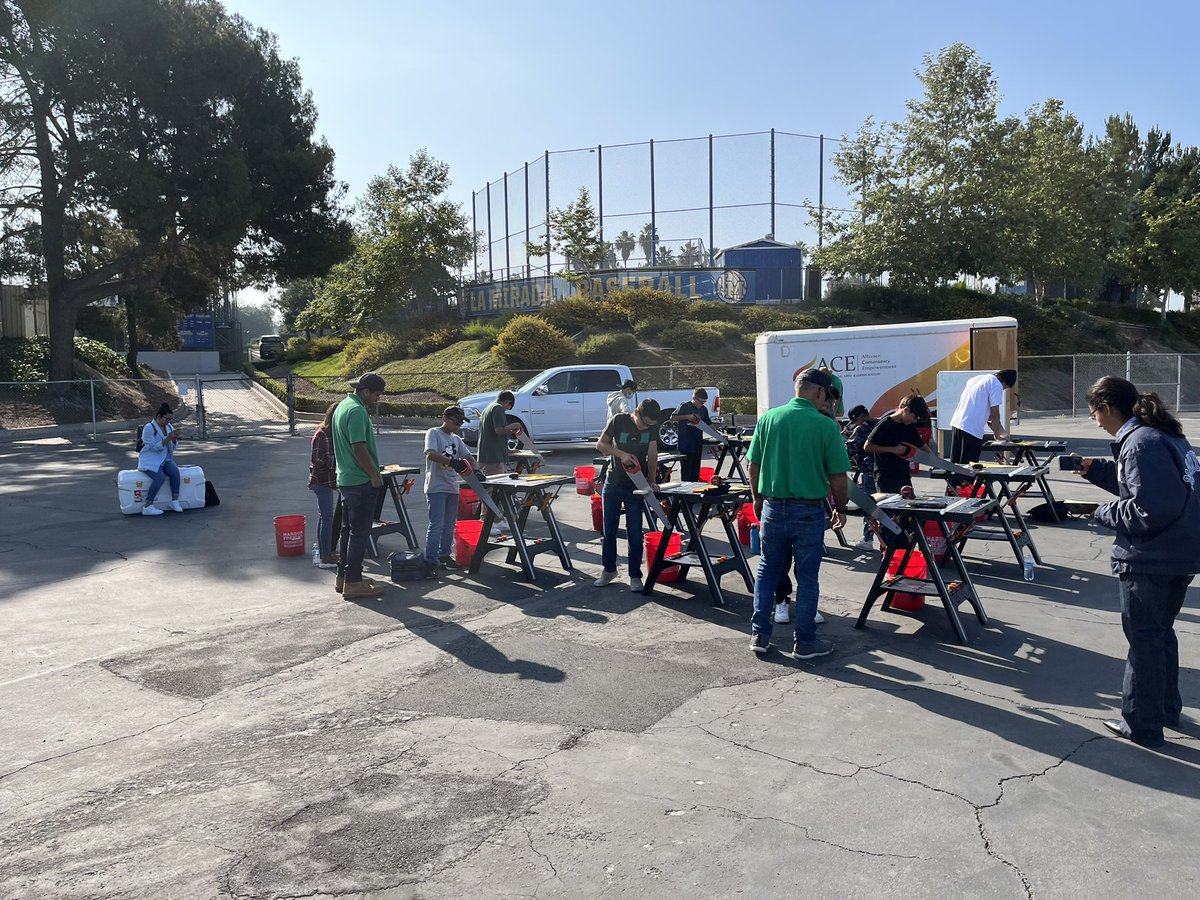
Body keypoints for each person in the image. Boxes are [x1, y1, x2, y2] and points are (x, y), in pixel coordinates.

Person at [1076, 376, 1200, 748]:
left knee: (1145, 639)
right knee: (1161, 634)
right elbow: (1153, 489)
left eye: (1094, 412)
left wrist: (1102, 511)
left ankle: (1143, 724)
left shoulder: (1141, 443)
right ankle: (1164, 709)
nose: (1094, 420)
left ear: (1108, 408)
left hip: (1151, 558)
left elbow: (1149, 507)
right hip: (1180, 553)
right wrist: (1096, 471)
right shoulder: (1163, 436)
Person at [748, 369, 850, 660]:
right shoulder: (825, 426)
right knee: (807, 577)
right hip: (808, 511)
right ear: (819, 393)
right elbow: (838, 477)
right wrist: (840, 509)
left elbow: (753, 464)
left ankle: (760, 635)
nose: (827, 403)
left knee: (768, 570)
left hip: (772, 507)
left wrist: (757, 498)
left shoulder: (768, 418)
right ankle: (804, 642)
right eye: (827, 397)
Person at [595, 398, 661, 591]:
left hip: (636, 486)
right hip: (613, 483)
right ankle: (609, 570)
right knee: (609, 532)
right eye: (644, 424)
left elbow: (653, 452)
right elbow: (601, 444)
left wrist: (651, 480)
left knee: (634, 533)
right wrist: (621, 454)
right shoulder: (618, 420)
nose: (645, 429)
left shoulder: (650, 427)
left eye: (650, 426)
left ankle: (635, 576)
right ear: (636, 412)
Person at [332, 372, 387, 599]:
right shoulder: (356, 411)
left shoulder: (342, 406)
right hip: (360, 480)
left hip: (346, 479)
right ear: (365, 392)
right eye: (376, 395)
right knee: (360, 533)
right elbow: (359, 448)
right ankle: (353, 581)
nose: (377, 399)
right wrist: (374, 475)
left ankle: (343, 577)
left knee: (348, 531)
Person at [423, 405, 481, 572]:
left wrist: (476, 469)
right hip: (436, 486)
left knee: (449, 524)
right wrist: (452, 462)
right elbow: (430, 453)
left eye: (460, 424)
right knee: (436, 524)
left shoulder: (456, 439)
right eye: (455, 422)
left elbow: (468, 456)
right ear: (445, 418)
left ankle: (444, 555)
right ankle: (431, 560)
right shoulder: (434, 433)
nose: (457, 426)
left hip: (452, 486)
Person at [864, 394, 933, 495]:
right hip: (886, 475)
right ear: (906, 410)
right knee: (890, 507)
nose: (914, 421)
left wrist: (934, 461)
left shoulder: (909, 426)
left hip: (903, 474)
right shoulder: (885, 424)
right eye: (914, 417)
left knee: (907, 504)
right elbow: (867, 446)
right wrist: (892, 449)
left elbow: (921, 445)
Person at [948, 369, 1016, 464]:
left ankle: (954, 479)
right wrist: (997, 436)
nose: (1003, 389)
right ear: (1005, 383)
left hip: (957, 423)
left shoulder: (978, 379)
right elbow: (995, 414)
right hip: (972, 428)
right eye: (1005, 388)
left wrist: (999, 430)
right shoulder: (996, 385)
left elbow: (985, 412)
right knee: (969, 467)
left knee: (955, 464)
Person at [308, 403, 340, 569]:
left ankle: (325, 551)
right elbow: (318, 460)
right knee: (327, 518)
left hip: (325, 481)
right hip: (321, 481)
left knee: (324, 517)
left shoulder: (330, 433)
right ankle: (325, 555)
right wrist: (339, 464)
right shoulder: (322, 435)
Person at [138, 402, 183, 516]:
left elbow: (173, 447)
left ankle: (175, 501)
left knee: (175, 472)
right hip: (150, 459)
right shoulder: (149, 428)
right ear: (159, 416)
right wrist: (168, 438)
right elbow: (152, 447)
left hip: (164, 458)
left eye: (170, 419)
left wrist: (174, 439)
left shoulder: (168, 427)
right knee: (159, 477)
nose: (169, 421)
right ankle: (148, 506)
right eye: (167, 419)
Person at [844, 404, 878, 552]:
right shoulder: (879, 423)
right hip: (882, 471)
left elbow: (849, 448)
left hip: (869, 471)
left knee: (868, 506)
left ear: (859, 418)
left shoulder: (861, 428)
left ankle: (868, 538)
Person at [669, 388, 713, 482]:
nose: (702, 405)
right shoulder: (685, 406)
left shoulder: (703, 409)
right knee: (686, 473)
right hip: (685, 445)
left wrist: (719, 434)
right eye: (701, 402)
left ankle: (694, 493)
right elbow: (672, 417)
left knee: (695, 472)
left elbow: (709, 423)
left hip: (697, 444)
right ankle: (685, 494)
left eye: (704, 402)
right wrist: (688, 417)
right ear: (694, 398)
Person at [477, 390, 521, 477]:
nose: (505, 410)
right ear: (507, 402)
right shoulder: (498, 408)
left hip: (485, 453)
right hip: (493, 456)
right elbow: (499, 430)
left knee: (485, 483)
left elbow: (490, 431)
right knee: (494, 485)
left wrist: (508, 450)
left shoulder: (488, 407)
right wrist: (513, 426)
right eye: (508, 408)